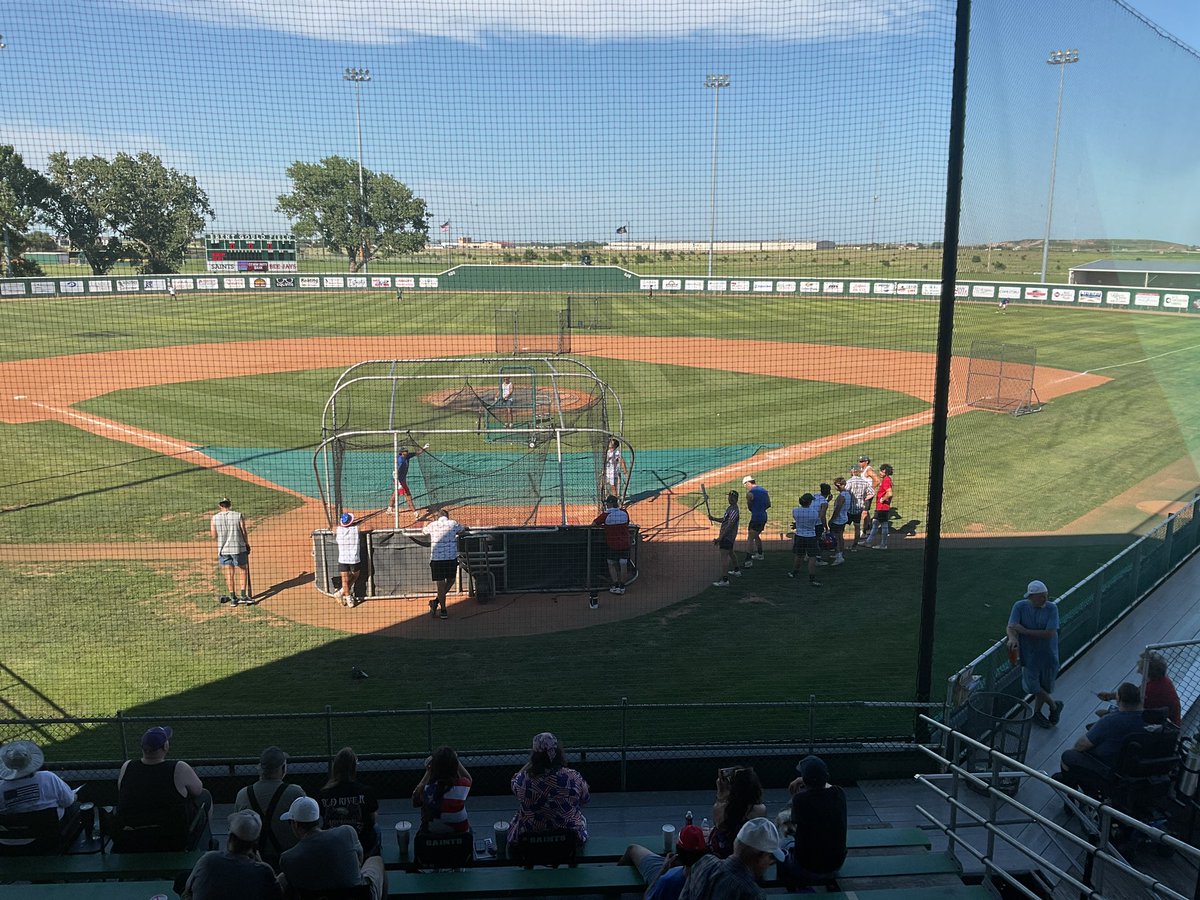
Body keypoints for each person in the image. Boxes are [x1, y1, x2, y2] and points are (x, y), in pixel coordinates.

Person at [116, 726, 212, 849]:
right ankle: (205, 844)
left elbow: (122, 790)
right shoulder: (179, 768)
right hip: (172, 840)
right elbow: (198, 790)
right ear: (165, 746)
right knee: (205, 795)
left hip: (132, 839)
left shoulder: (127, 766)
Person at [277, 796, 386, 900]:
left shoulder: (287, 858)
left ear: (295, 824)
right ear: (317, 819)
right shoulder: (346, 832)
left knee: (283, 878)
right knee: (376, 860)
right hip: (357, 896)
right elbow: (359, 860)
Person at [1054, 683, 1148, 794]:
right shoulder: (1148, 719)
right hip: (1134, 768)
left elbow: (1081, 745)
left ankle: (1074, 792)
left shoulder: (1111, 721)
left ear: (1119, 700)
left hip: (1109, 770)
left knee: (1068, 756)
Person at [508, 732, 589, 849]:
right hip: (568, 840)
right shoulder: (573, 777)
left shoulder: (523, 780)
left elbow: (514, 784)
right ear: (558, 753)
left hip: (531, 839)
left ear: (535, 755)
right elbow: (585, 799)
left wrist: (533, 762)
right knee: (581, 818)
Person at [181, 810, 282, 900]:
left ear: (230, 837)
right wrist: (259, 861)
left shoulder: (208, 860)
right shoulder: (264, 871)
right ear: (255, 842)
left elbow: (187, 889)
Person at [779, 755, 847, 887]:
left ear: (805, 780)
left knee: (783, 837)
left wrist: (794, 796)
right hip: (836, 866)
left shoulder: (800, 800)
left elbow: (790, 825)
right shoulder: (840, 793)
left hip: (807, 868)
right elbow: (827, 787)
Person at [233, 746, 306, 870]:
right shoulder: (296, 793)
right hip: (290, 864)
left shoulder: (243, 794)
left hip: (253, 864)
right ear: (283, 768)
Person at [0, 740, 79, 850]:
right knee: (75, 806)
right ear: (30, 760)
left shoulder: (1, 787)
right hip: (47, 839)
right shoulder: (48, 777)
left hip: (10, 842)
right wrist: (73, 797)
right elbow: (68, 801)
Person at [680, 817, 785, 900]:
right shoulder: (752, 894)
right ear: (760, 856)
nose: (771, 862)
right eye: (770, 857)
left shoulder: (704, 863)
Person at [1007, 579, 1062, 728]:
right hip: (1029, 657)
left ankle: (1037, 713)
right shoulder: (1019, 606)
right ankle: (1054, 706)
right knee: (1033, 687)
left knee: (1044, 686)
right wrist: (1012, 638)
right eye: (1041, 597)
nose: (1045, 599)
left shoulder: (1052, 608)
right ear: (1030, 597)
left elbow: (1050, 633)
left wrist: (1024, 631)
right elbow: (1011, 626)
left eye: (1046, 596)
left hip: (1048, 656)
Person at [317, 747, 380, 858]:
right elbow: (372, 819)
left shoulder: (324, 793)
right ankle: (372, 859)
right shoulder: (366, 791)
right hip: (361, 844)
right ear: (354, 768)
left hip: (333, 846)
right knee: (377, 829)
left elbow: (322, 819)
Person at [619, 823, 708, 900]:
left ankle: (611, 888)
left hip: (671, 874)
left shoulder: (668, 880)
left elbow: (648, 897)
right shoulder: (714, 874)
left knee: (632, 849)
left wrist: (664, 869)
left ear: (678, 850)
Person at [1096, 652, 1181, 727]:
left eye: (1141, 670)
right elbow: (1136, 694)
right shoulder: (1163, 680)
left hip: (1157, 725)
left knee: (1103, 715)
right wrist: (1111, 696)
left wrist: (1113, 701)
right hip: (1167, 722)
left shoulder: (1150, 689)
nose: (1138, 672)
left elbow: (1133, 703)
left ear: (1147, 672)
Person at [707, 766, 767, 859]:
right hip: (750, 858)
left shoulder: (720, 809)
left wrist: (721, 794)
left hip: (724, 858)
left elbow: (720, 823)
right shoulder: (760, 809)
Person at [411, 745, 472, 835]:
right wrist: (455, 760)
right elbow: (468, 779)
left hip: (431, 835)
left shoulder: (425, 789)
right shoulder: (462, 786)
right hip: (461, 835)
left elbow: (415, 800)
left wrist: (428, 771)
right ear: (455, 766)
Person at [422, 507, 466, 619]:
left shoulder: (433, 525)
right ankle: (442, 609)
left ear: (438, 517)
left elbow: (423, 532)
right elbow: (462, 530)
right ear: (447, 516)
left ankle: (438, 605)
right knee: (451, 580)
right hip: (450, 559)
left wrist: (426, 524)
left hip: (437, 560)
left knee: (440, 585)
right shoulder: (453, 523)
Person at [211, 498, 251, 605]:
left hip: (223, 550)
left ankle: (233, 598)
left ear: (220, 505)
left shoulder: (214, 518)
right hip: (238, 548)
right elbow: (243, 531)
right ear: (230, 504)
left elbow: (214, 536)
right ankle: (243, 595)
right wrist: (246, 544)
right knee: (242, 570)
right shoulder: (237, 515)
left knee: (229, 573)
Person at [593, 494, 633, 596]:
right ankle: (622, 587)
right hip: (625, 544)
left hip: (612, 545)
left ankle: (615, 585)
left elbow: (593, 524)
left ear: (610, 504)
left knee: (611, 563)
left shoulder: (605, 515)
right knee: (623, 564)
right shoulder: (624, 512)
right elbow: (627, 523)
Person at [334, 513, 370, 608]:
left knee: (344, 581)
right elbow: (370, 527)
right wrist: (356, 525)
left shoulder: (338, 530)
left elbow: (333, 528)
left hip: (342, 559)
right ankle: (344, 594)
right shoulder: (355, 529)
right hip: (354, 559)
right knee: (355, 576)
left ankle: (346, 597)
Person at [787, 493, 822, 587]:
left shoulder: (795, 511)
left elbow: (797, 522)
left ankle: (794, 572)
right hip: (811, 537)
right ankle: (811, 577)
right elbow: (815, 523)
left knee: (798, 555)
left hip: (799, 536)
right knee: (812, 557)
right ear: (810, 502)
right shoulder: (814, 512)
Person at [711, 491, 742, 587]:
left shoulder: (734, 511)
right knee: (731, 552)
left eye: (731, 497)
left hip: (727, 537)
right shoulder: (730, 508)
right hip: (729, 537)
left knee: (724, 558)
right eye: (729, 497)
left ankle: (725, 580)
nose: (729, 498)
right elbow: (724, 520)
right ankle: (737, 571)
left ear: (735, 499)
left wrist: (720, 538)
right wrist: (714, 518)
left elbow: (729, 526)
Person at [863, 463, 894, 549]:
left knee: (883, 525)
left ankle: (883, 545)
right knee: (875, 523)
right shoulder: (886, 479)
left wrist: (883, 499)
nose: (880, 472)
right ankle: (868, 542)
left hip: (882, 507)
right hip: (881, 507)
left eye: (881, 471)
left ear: (885, 472)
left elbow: (890, 493)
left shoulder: (886, 480)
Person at [741, 476, 771, 565]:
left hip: (756, 518)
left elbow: (750, 507)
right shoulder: (764, 491)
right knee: (755, 535)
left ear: (748, 483)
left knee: (750, 538)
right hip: (764, 516)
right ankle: (760, 554)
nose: (745, 487)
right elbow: (768, 504)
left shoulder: (750, 494)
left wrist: (756, 510)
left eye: (745, 485)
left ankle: (748, 560)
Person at [391, 445, 427, 516]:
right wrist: (399, 483)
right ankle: (415, 512)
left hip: (402, 479)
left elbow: (417, 453)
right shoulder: (400, 461)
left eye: (407, 451)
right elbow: (396, 472)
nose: (407, 452)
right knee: (408, 495)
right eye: (405, 451)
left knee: (396, 493)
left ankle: (389, 509)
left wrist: (424, 448)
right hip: (399, 480)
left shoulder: (407, 456)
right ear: (401, 453)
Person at [845, 464, 874, 550]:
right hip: (859, 509)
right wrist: (864, 498)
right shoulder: (864, 482)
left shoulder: (849, 482)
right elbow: (872, 493)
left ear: (852, 472)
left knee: (841, 527)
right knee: (857, 528)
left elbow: (845, 493)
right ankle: (854, 547)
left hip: (849, 509)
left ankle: (840, 546)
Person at [825, 477, 850, 566]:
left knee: (835, 539)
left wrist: (831, 520)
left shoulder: (842, 496)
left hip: (838, 520)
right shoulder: (847, 494)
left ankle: (839, 557)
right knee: (840, 537)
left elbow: (837, 510)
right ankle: (839, 554)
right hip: (843, 518)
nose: (835, 487)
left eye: (836, 485)